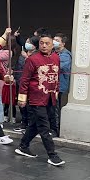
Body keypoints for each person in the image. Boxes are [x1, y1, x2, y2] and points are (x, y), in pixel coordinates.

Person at [15, 33, 64, 166]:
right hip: (36, 98)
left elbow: (57, 76)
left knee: (36, 125)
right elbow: (24, 80)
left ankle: (23, 146)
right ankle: (52, 155)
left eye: (47, 43)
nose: (44, 45)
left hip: (50, 97)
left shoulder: (56, 58)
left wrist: (57, 91)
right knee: (44, 127)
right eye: (41, 43)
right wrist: (22, 98)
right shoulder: (32, 59)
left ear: (52, 45)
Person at [11, 35, 40, 133]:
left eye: (29, 42)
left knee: (29, 106)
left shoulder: (36, 56)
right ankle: (24, 123)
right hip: (20, 81)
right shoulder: (24, 53)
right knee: (21, 104)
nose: (27, 44)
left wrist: (27, 58)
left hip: (30, 85)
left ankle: (29, 126)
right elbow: (19, 66)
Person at [53, 32, 72, 138]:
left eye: (57, 40)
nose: (54, 42)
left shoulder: (65, 55)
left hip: (61, 86)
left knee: (57, 108)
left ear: (63, 43)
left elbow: (58, 67)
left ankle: (56, 129)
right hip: (52, 85)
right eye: (54, 39)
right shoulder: (53, 53)